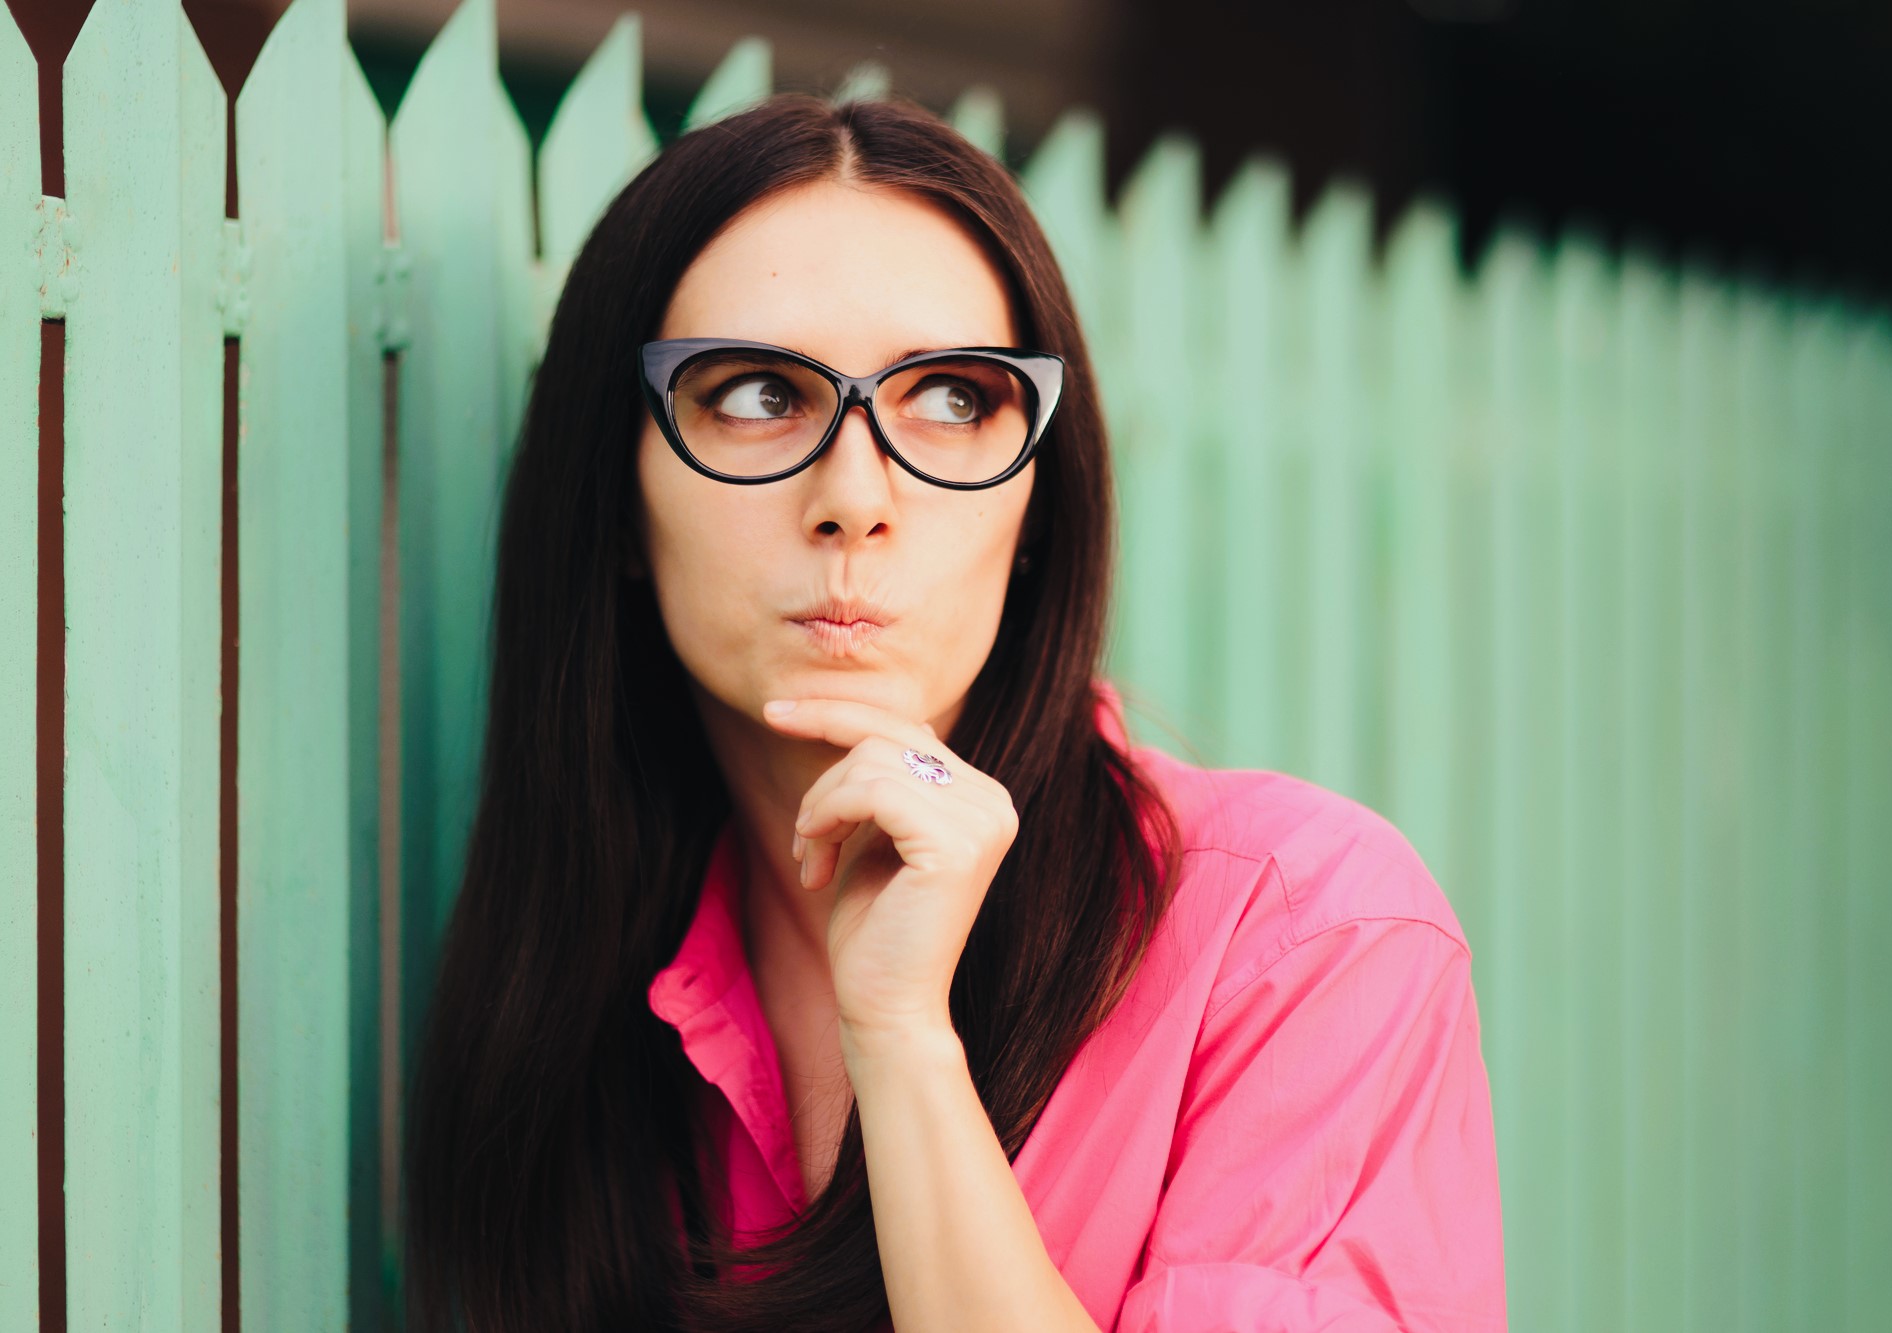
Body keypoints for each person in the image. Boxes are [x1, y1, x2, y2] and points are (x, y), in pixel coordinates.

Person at [404, 90, 1507, 1332]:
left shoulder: (1305, 934)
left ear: (1035, 505)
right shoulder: (575, 1010)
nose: (854, 497)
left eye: (952, 400)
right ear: (614, 499)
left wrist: (905, 1044)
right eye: (758, 395)